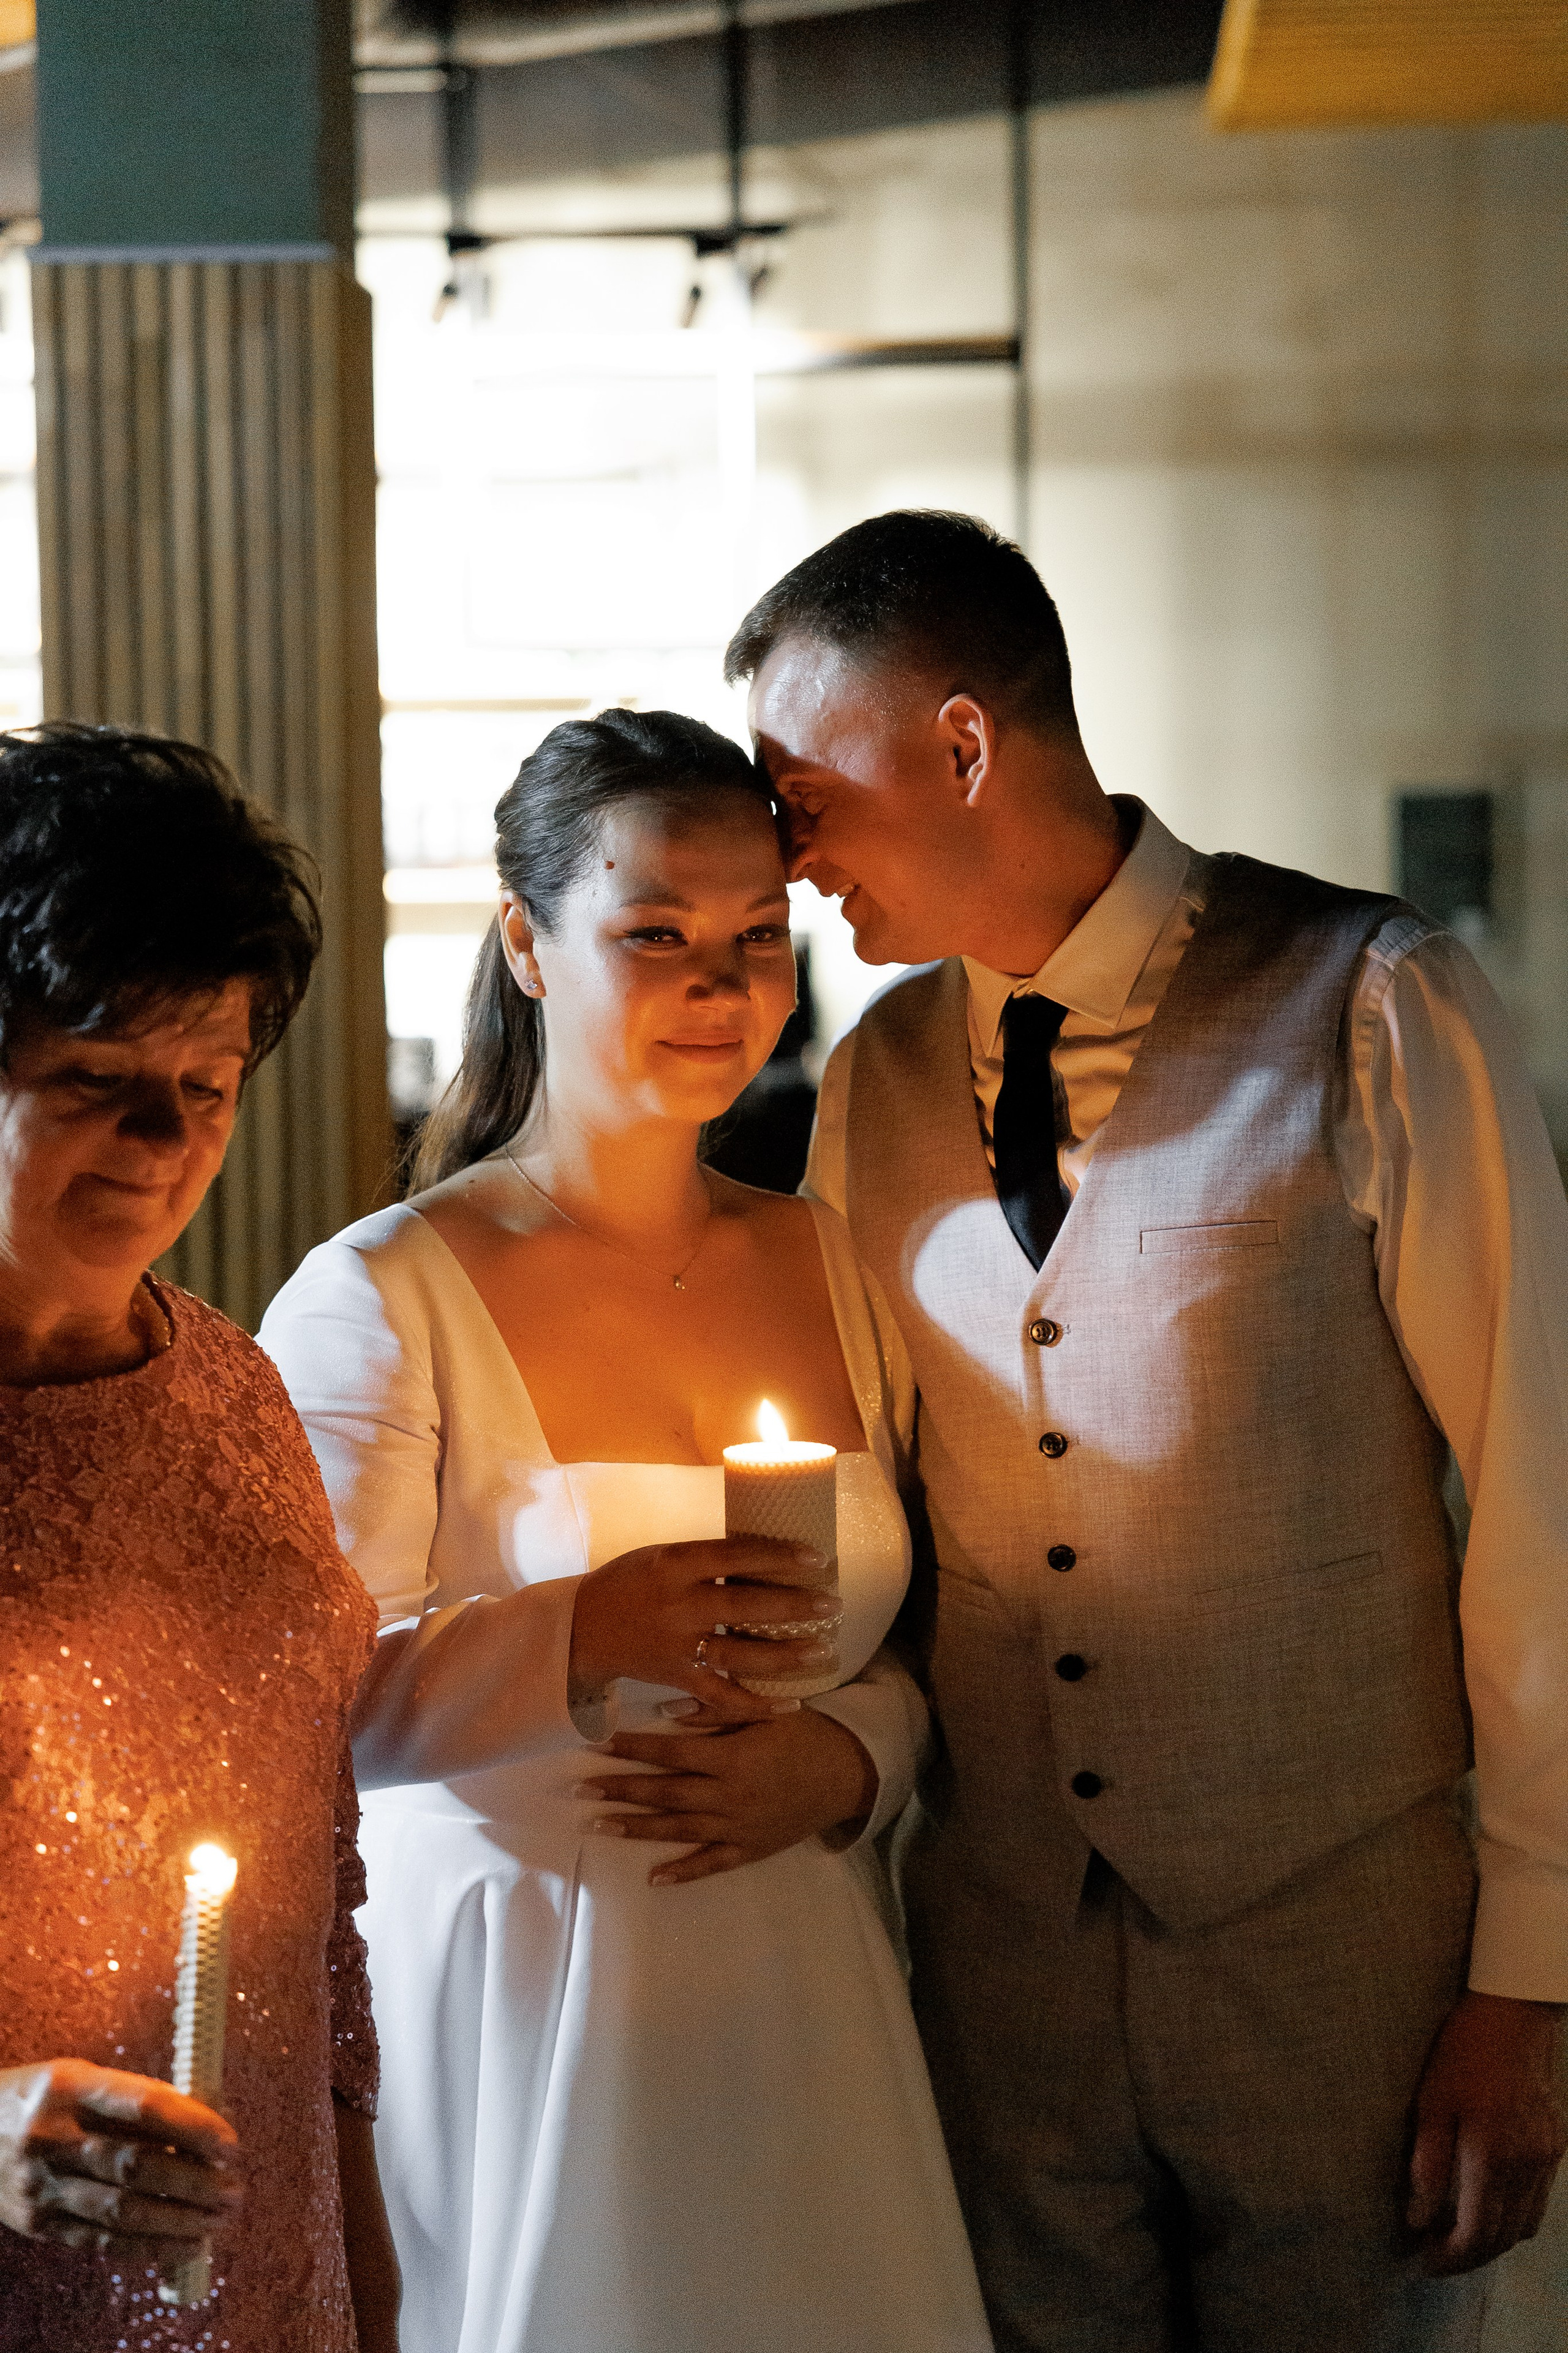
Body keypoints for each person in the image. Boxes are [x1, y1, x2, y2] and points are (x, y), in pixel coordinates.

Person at [722, 510, 1568, 2353]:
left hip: (1346, 1972)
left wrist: (1534, 1977)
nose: (788, 859)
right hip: (1000, 1976)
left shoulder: (1376, 1004)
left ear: (962, 746)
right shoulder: (868, 1081)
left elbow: (1543, 1512)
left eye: (806, 793)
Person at [258, 707, 993, 2353]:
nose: (722, 990)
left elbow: (925, 1629)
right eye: (654, 934)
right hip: (527, 1997)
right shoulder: (383, 1293)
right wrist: (581, 1636)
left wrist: (857, 1757)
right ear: (527, 941)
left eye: (756, 937)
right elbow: (289, 1704)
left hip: (804, 1988)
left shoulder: (832, 1257)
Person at [0, 724, 399, 2353]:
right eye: (98, 1082)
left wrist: (360, 2261)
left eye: (208, 1084)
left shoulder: (233, 1385)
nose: (167, 1145)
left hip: (263, 2259)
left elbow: (319, 1881)